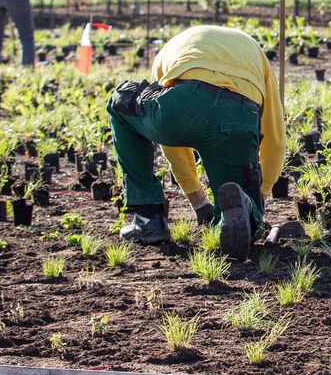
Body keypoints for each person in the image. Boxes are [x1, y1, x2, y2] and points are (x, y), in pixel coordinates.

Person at [109, 24, 284, 262]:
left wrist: (198, 200)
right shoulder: (255, 52)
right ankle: (247, 208)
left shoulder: (171, 51)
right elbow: (273, 131)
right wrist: (261, 194)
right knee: (239, 212)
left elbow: (172, 142)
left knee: (120, 105)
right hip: (239, 118)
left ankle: (148, 218)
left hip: (184, 106)